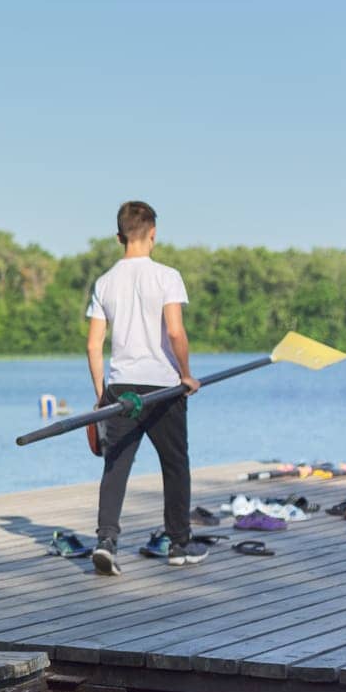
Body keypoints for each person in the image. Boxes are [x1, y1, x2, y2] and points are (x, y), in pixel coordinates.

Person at [85, 201, 203, 576]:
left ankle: (106, 541)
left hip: (122, 389)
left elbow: (93, 345)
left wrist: (102, 393)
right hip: (164, 388)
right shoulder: (167, 276)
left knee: (116, 466)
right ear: (153, 233)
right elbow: (174, 331)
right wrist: (187, 375)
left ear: (119, 237)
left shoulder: (105, 282)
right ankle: (179, 545)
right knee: (175, 464)